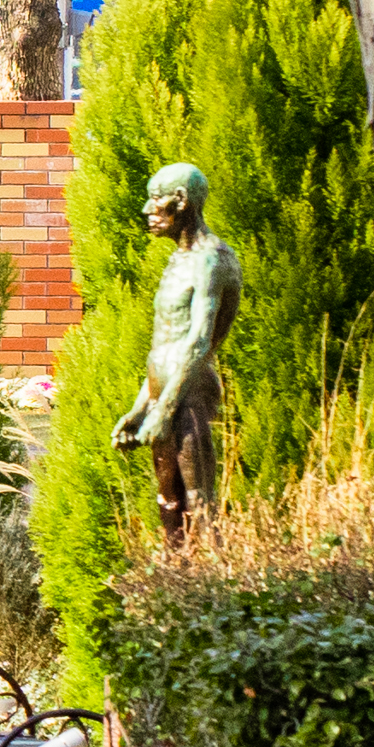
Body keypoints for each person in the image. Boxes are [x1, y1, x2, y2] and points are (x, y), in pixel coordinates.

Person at [120, 162, 240, 539]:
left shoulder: (212, 260)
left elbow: (199, 342)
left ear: (182, 201)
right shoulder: (178, 260)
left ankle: (209, 586)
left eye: (156, 200)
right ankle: (173, 585)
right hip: (164, 394)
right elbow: (165, 345)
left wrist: (165, 409)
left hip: (188, 397)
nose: (146, 210)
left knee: (199, 502)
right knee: (168, 502)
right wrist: (141, 409)